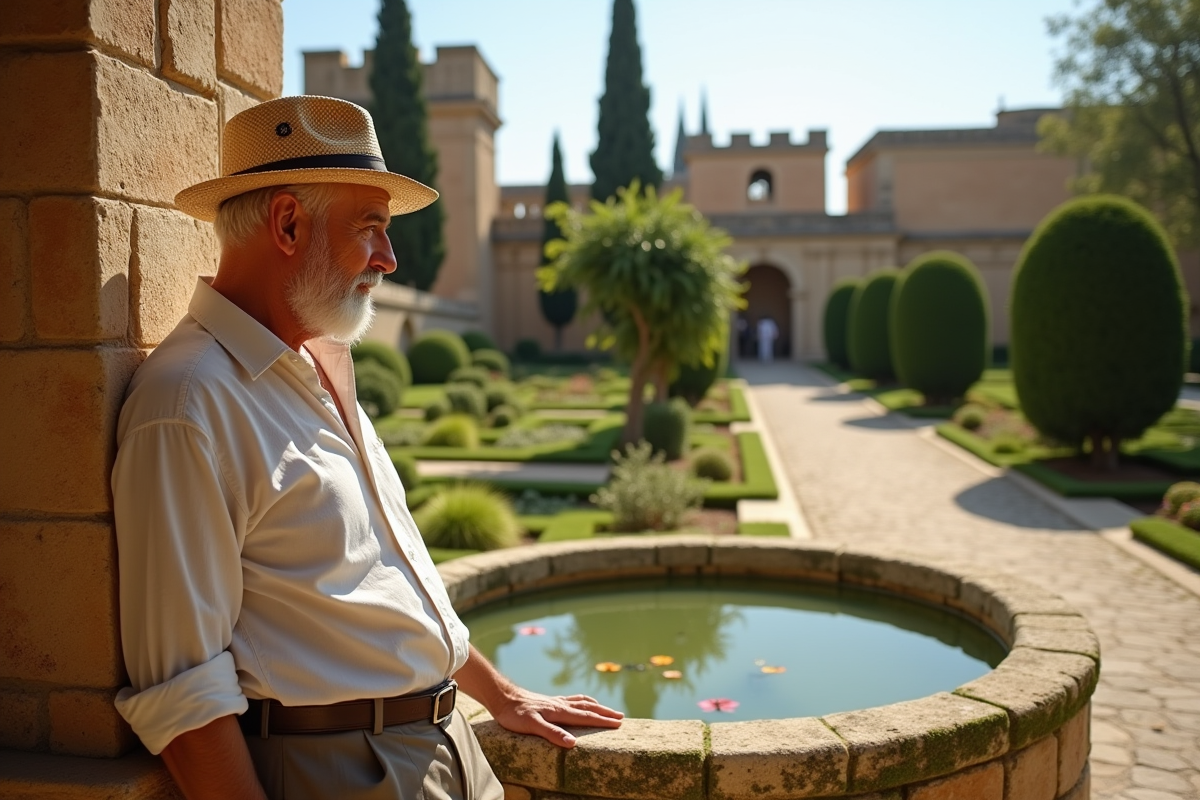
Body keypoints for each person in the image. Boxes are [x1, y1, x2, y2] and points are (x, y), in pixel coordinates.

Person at [111, 95, 623, 800]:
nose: (389, 257)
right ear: (288, 222)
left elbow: (389, 581)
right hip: (350, 772)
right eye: (372, 227)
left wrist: (501, 696)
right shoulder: (189, 403)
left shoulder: (319, 363)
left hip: (446, 749)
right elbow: (183, 693)